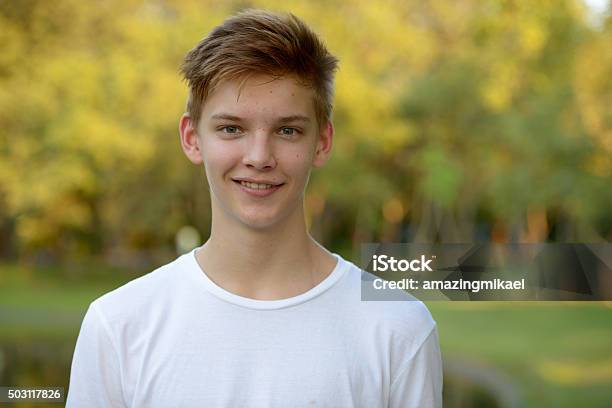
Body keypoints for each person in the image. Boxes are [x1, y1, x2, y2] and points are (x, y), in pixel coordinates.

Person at [66, 9, 443, 407]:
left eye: (287, 130)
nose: (259, 156)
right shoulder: (119, 325)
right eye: (232, 128)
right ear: (192, 138)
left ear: (322, 142)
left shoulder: (398, 329)